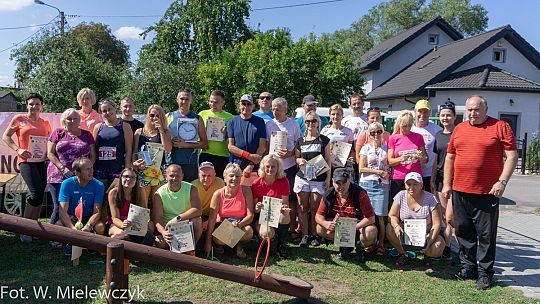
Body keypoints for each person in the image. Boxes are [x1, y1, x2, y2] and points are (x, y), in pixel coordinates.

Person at [442, 95, 517, 290]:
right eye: (469, 110)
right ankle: (468, 267)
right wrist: (446, 184)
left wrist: (502, 181)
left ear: (485, 109)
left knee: (486, 235)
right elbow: (450, 157)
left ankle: (485, 273)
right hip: (460, 189)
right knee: (464, 231)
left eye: (476, 109)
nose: (472, 113)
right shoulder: (459, 128)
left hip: (487, 192)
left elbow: (511, 157)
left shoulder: (500, 126)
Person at [2, 93, 52, 242]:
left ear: (42, 106)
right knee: (35, 193)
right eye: (31, 104)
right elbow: (6, 136)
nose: (34, 106)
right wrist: (18, 150)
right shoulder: (19, 119)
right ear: (26, 105)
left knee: (40, 193)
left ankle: (34, 228)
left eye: (37, 103)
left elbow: (49, 141)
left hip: (41, 162)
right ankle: (24, 229)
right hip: (25, 161)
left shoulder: (45, 123)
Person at [46, 108, 95, 233]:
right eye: (69, 118)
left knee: (75, 207)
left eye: (75, 118)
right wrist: (63, 169)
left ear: (80, 120)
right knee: (59, 207)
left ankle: (73, 236)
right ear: (64, 120)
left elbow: (93, 156)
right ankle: (53, 236)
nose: (72, 121)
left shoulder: (87, 135)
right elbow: (50, 154)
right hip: (57, 176)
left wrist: (86, 170)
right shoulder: (57, 133)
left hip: (80, 177)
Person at [315, 168, 377, 264]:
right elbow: (318, 216)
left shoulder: (360, 193)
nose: (341, 186)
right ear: (332, 182)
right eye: (338, 183)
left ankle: (360, 247)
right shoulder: (329, 194)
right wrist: (326, 223)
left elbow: (370, 218)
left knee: (371, 231)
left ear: (349, 181)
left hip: (358, 226)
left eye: (344, 182)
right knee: (320, 228)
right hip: (339, 227)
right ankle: (345, 245)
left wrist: (353, 228)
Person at [386, 172, 445, 269]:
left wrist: (430, 241)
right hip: (406, 233)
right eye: (408, 184)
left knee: (437, 246)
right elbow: (392, 215)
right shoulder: (401, 195)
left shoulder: (431, 198)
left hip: (426, 233)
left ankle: (428, 255)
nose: (411, 187)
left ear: (421, 185)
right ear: (405, 185)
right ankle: (404, 254)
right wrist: (396, 226)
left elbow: (437, 223)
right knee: (389, 228)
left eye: (415, 184)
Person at [265, 97, 302, 241]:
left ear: (285, 110)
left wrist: (290, 153)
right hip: (272, 169)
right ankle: (272, 229)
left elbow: (299, 145)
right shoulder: (269, 124)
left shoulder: (293, 124)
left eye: (278, 109)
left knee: (290, 200)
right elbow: (267, 146)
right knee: (272, 197)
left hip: (289, 167)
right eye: (273, 108)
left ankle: (291, 229)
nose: (275, 111)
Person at [294, 111, 332, 247]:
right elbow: (296, 157)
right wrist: (299, 160)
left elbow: (328, 160)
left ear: (318, 123)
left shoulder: (324, 140)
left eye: (313, 121)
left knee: (315, 208)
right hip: (302, 178)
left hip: (318, 179)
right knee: (303, 208)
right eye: (308, 121)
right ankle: (304, 235)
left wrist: (328, 179)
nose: (310, 124)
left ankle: (314, 235)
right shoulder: (300, 140)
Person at [56, 157, 105, 255]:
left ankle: (92, 245)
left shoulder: (99, 185)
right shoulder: (67, 184)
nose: (91, 171)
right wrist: (72, 228)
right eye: (87, 169)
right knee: (58, 226)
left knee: (100, 227)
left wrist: (88, 226)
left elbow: (97, 212)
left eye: (92, 168)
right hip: (72, 217)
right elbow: (62, 211)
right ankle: (69, 243)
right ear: (77, 172)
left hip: (89, 217)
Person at [205, 163, 254, 258]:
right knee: (218, 239)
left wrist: (238, 225)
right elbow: (211, 219)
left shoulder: (246, 190)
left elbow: (250, 215)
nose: (235, 179)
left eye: (237, 176)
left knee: (248, 231)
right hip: (224, 226)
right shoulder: (218, 194)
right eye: (231, 176)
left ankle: (238, 245)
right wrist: (208, 242)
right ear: (225, 178)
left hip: (241, 224)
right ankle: (225, 245)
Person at [152, 164, 203, 250]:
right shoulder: (159, 193)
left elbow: (198, 210)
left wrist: (177, 219)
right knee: (159, 242)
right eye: (171, 175)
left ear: (182, 176)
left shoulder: (191, 188)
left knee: (197, 221)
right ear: (166, 176)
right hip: (168, 227)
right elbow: (157, 219)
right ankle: (176, 249)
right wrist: (164, 232)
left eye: (177, 176)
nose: (175, 178)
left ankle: (191, 249)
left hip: (185, 224)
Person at [358, 122, 390, 256]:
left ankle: (381, 244)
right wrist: (377, 172)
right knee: (366, 215)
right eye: (372, 132)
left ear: (383, 133)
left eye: (378, 131)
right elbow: (361, 168)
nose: (376, 134)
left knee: (381, 216)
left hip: (382, 185)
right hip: (366, 184)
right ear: (369, 135)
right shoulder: (365, 148)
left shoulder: (387, 148)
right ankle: (368, 242)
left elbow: (390, 164)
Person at [252, 155, 291, 258]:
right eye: (267, 166)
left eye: (273, 166)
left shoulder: (283, 181)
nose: (270, 169)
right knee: (267, 233)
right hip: (262, 217)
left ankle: (280, 244)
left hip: (276, 214)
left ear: (278, 168)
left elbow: (285, 203)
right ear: (263, 167)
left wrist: (283, 208)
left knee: (285, 215)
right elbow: (255, 210)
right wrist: (257, 207)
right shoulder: (256, 183)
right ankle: (265, 241)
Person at [431, 101, 457, 260]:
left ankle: (450, 246)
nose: (445, 118)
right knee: (442, 216)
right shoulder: (438, 135)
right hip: (440, 178)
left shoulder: (459, 133)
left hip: (456, 179)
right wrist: (433, 179)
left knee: (450, 217)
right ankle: (447, 248)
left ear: (454, 116)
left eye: (448, 115)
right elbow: (435, 160)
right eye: (443, 115)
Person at [167, 89, 208, 182]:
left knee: (189, 192)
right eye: (182, 99)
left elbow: (205, 144)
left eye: (187, 99)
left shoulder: (197, 118)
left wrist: (185, 145)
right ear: (177, 99)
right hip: (171, 162)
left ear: (191, 101)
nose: (184, 101)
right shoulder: (168, 116)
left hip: (190, 163)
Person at [133, 104, 172, 203]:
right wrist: (135, 163)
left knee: (157, 201)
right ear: (148, 116)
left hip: (159, 170)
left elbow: (168, 149)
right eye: (152, 115)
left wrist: (161, 131)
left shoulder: (166, 131)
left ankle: (156, 219)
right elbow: (134, 153)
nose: (154, 118)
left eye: (157, 115)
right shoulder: (139, 132)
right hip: (144, 169)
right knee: (143, 201)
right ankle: (144, 219)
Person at [387, 110, 427, 200]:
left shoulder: (418, 137)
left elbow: (425, 159)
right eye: (404, 126)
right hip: (399, 177)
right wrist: (401, 159)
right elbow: (390, 161)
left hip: (415, 175)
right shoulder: (393, 138)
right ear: (399, 124)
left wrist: (419, 156)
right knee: (398, 204)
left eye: (409, 125)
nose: (407, 128)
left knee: (416, 202)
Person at [93, 99, 133, 187]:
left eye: (110, 109)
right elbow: (94, 149)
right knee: (100, 198)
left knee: (114, 197)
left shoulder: (125, 126)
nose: (107, 112)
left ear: (115, 109)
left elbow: (129, 150)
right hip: (100, 170)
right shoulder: (98, 127)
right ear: (101, 113)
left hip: (117, 170)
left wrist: (126, 170)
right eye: (104, 111)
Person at [227, 94, 267, 182]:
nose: (246, 106)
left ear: (253, 106)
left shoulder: (260, 122)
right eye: (243, 104)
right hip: (236, 166)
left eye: (248, 104)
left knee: (253, 194)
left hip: (254, 167)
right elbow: (230, 147)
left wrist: (251, 164)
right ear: (239, 105)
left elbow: (262, 146)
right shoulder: (232, 122)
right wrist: (248, 156)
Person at [107, 168, 151, 243]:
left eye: (132, 177)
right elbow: (115, 218)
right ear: (121, 178)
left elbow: (144, 212)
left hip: (134, 223)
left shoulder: (140, 191)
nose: (128, 179)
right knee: (123, 235)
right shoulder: (113, 193)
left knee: (150, 231)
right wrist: (122, 224)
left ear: (136, 180)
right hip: (117, 223)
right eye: (125, 176)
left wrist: (144, 223)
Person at [198, 90, 234, 178]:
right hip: (206, 153)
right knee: (205, 182)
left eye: (216, 102)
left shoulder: (230, 117)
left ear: (223, 103)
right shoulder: (202, 114)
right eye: (211, 101)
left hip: (223, 155)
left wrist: (227, 133)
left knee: (220, 182)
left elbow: (234, 138)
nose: (213, 104)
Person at [411, 99, 442, 191]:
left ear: (429, 113)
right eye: (420, 111)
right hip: (412, 172)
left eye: (425, 112)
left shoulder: (437, 130)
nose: (422, 115)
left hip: (430, 173)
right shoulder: (409, 128)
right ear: (415, 112)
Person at [321, 104, 355, 174]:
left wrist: (350, 158)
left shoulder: (349, 131)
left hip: (342, 164)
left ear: (342, 115)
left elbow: (351, 149)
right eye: (333, 114)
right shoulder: (325, 130)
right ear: (330, 116)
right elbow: (321, 148)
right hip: (328, 164)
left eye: (338, 114)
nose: (335, 116)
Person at [192, 161, 225, 227]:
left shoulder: (220, 183)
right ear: (198, 175)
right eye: (203, 175)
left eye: (209, 176)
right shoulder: (193, 186)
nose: (206, 179)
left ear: (215, 174)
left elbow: (223, 204)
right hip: (199, 215)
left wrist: (208, 222)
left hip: (215, 214)